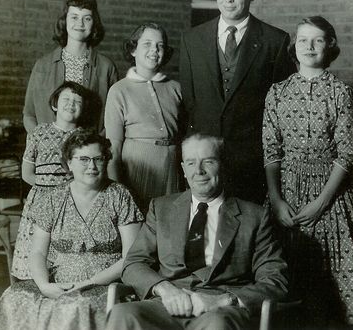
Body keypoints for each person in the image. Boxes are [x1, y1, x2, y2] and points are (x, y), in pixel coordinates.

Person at [262, 16, 353, 327]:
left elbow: (347, 152)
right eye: (302, 40)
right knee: (284, 280)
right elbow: (271, 152)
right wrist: (276, 200)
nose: (309, 46)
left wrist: (322, 203)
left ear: (330, 46)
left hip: (330, 196)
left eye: (317, 40)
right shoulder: (277, 91)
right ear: (293, 46)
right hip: (286, 195)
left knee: (333, 291)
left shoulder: (342, 92)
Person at [106, 133, 288, 330]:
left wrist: (222, 301)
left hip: (220, 308)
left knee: (217, 324)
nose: (199, 171)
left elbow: (275, 280)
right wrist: (165, 290)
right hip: (168, 302)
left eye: (208, 162)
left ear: (223, 165)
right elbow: (134, 263)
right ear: (183, 170)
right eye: (191, 163)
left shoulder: (255, 216)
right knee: (123, 313)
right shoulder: (161, 208)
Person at [0, 130, 144, 330]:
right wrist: (44, 286)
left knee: (75, 307)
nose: (91, 166)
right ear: (69, 163)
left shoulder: (119, 196)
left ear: (106, 161)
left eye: (98, 159)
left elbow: (131, 256)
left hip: (106, 283)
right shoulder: (54, 198)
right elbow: (37, 252)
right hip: (59, 281)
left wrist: (88, 282)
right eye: (83, 159)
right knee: (14, 298)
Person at [179, 0, 294, 203]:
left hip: (251, 161)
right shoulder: (192, 39)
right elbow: (190, 102)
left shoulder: (275, 41)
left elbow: (281, 110)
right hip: (204, 161)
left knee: (247, 231)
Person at [12, 81, 92, 280]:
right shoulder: (39, 132)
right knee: (37, 248)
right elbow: (26, 173)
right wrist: (48, 192)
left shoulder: (84, 137)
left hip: (73, 201)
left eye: (77, 102)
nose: (71, 104)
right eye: (66, 99)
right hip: (42, 197)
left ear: (83, 110)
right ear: (55, 104)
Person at [105, 22, 183, 212]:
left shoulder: (175, 88)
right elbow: (113, 147)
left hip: (172, 167)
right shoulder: (119, 90)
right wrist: (116, 190)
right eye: (147, 44)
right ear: (133, 50)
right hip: (137, 168)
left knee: (169, 225)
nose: (154, 50)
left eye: (160, 45)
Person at [23, 0, 118, 134]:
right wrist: (43, 141)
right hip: (49, 152)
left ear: (94, 23)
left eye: (87, 18)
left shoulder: (106, 67)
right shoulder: (42, 65)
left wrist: (94, 146)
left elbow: (114, 118)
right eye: (74, 17)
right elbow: (29, 114)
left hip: (89, 151)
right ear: (64, 21)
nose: (80, 23)